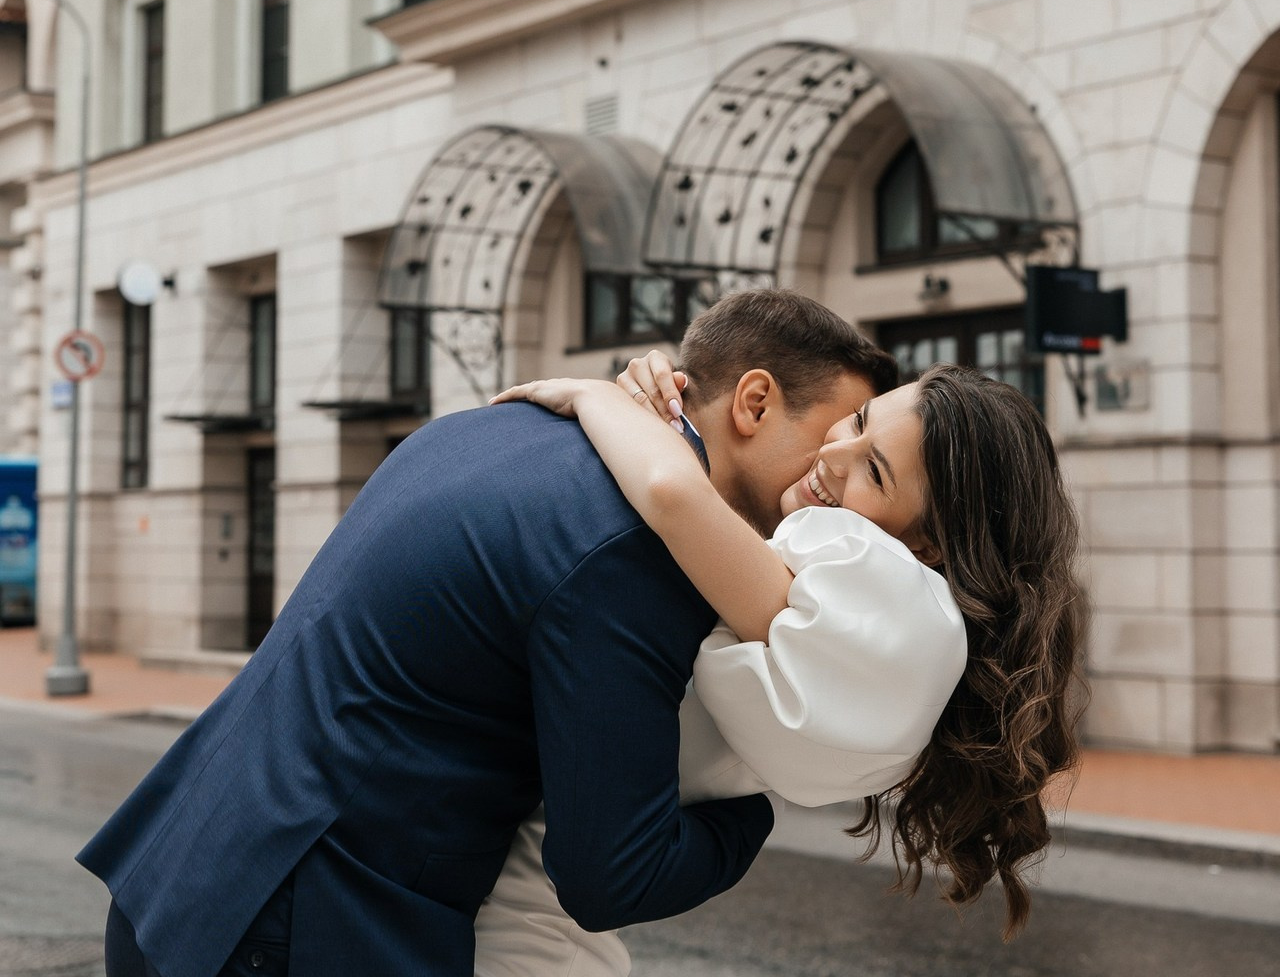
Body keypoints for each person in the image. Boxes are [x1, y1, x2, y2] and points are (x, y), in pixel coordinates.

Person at [81, 289, 897, 977]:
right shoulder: (635, 554)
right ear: (754, 403)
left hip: (179, 872)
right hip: (303, 926)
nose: (830, 470)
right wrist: (753, 811)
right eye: (830, 433)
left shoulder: (488, 427)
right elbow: (613, 876)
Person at [479, 352, 1083, 972]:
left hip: (531, 914)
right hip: (529, 888)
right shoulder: (863, 596)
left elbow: (670, 491)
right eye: (857, 420)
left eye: (874, 472)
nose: (833, 457)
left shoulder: (885, 604)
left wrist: (598, 401)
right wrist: (652, 401)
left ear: (926, 544)